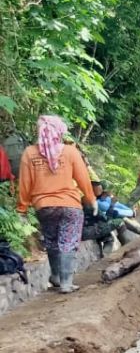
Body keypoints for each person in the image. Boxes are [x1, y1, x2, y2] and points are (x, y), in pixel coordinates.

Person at [16, 116, 97, 293]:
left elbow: (24, 183)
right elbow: (83, 178)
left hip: (44, 206)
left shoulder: (29, 153)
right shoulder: (70, 152)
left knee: (52, 241)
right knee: (68, 242)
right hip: (70, 206)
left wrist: (22, 208)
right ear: (60, 132)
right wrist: (91, 199)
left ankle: (56, 277)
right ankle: (66, 282)